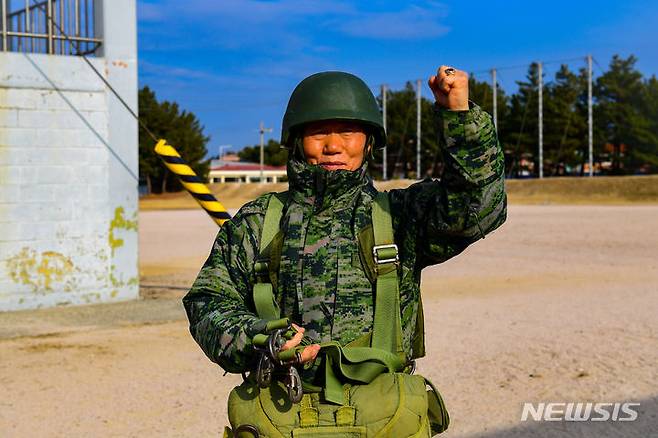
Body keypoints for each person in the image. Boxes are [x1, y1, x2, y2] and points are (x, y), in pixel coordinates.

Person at [183, 66, 506, 436]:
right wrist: (262, 338)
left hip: (384, 416)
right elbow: (208, 301)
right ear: (296, 140)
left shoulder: (398, 217)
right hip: (282, 412)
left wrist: (459, 117)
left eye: (349, 131)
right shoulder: (259, 221)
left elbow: (479, 207)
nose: (333, 145)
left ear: (369, 141)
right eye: (318, 131)